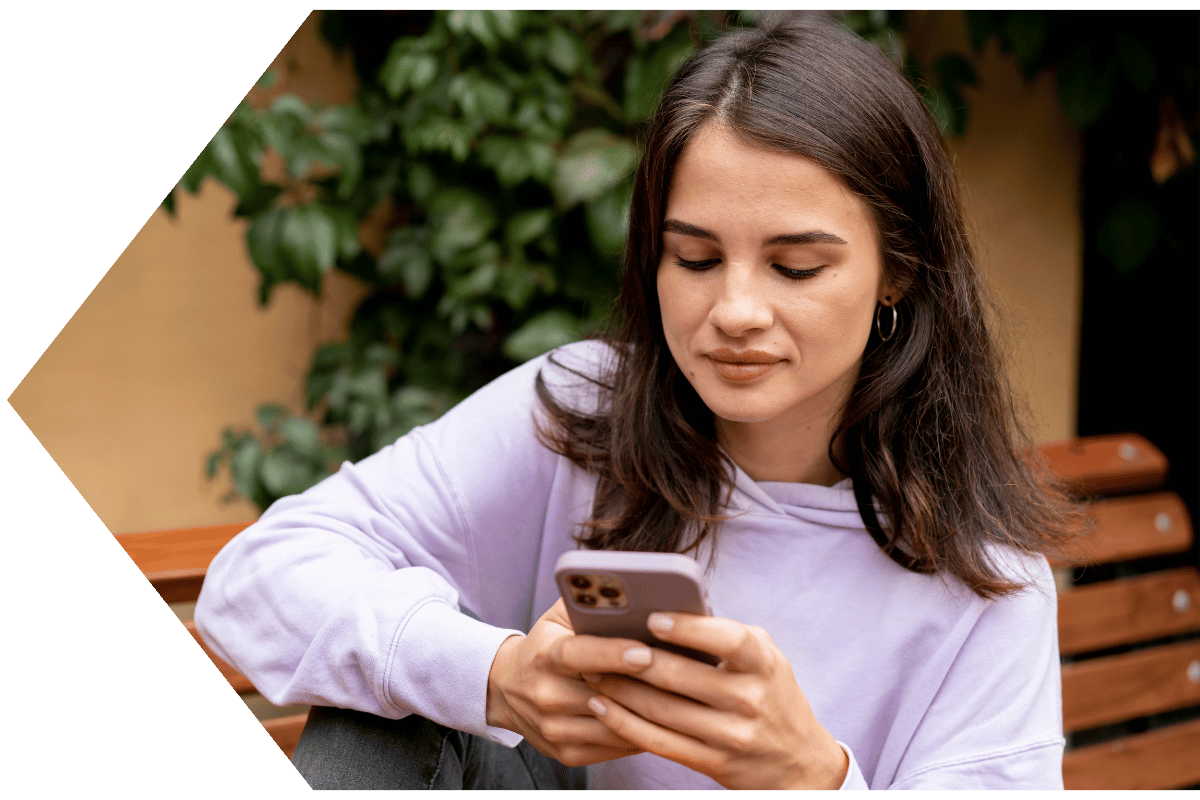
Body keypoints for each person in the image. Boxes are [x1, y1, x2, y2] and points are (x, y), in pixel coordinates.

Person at [196, 13, 1078, 791]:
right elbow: (255, 579)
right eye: (694, 259)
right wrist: (496, 673)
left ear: (899, 269)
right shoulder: (584, 413)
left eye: (795, 266)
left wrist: (812, 779)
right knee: (379, 708)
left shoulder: (988, 577)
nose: (734, 311)